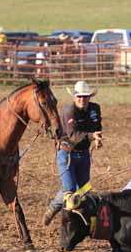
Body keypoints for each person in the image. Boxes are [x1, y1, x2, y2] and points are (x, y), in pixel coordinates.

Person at [42, 80, 103, 225]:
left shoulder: (95, 109)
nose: (82, 99)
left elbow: (97, 127)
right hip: (67, 154)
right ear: (74, 97)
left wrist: (98, 138)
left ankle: (78, 221)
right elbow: (73, 135)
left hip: (84, 154)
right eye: (79, 96)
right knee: (69, 190)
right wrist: (92, 136)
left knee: (83, 191)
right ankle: (53, 209)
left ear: (90, 97)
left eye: (85, 96)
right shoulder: (69, 110)